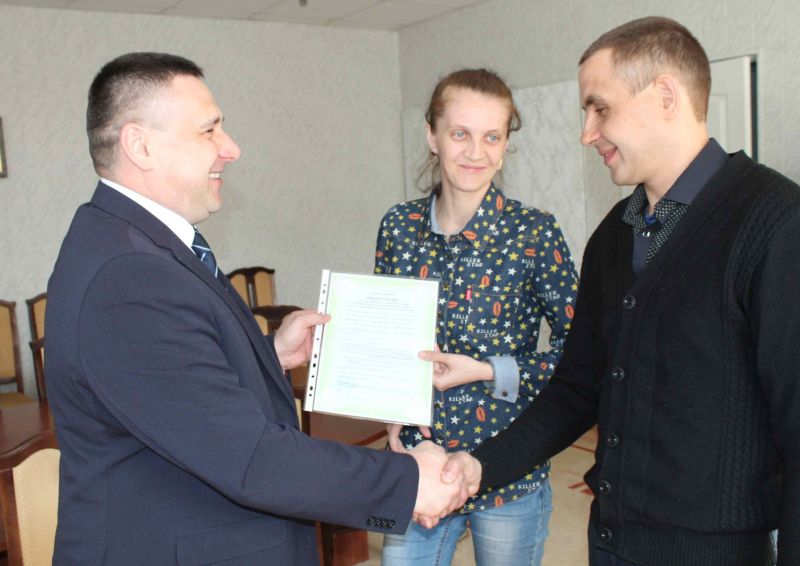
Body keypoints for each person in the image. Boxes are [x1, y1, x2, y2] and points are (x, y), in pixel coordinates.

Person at [45, 52, 474, 565]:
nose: (231, 148)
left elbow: (176, 395)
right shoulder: (130, 274)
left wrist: (269, 354)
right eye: (209, 130)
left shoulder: (134, 242)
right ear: (140, 145)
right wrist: (409, 485)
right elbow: (249, 458)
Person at [445, 16, 799, 566]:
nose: (587, 133)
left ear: (665, 97)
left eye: (600, 109)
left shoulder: (775, 222)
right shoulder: (614, 235)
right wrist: (479, 466)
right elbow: (577, 388)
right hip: (612, 540)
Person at [375, 68, 579, 566]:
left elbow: (582, 358)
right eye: (460, 134)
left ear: (506, 144)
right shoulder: (398, 227)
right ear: (433, 136)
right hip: (419, 463)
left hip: (507, 467)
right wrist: (389, 410)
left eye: (492, 136)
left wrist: (487, 370)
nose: (475, 152)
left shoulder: (535, 233)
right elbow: (385, 336)